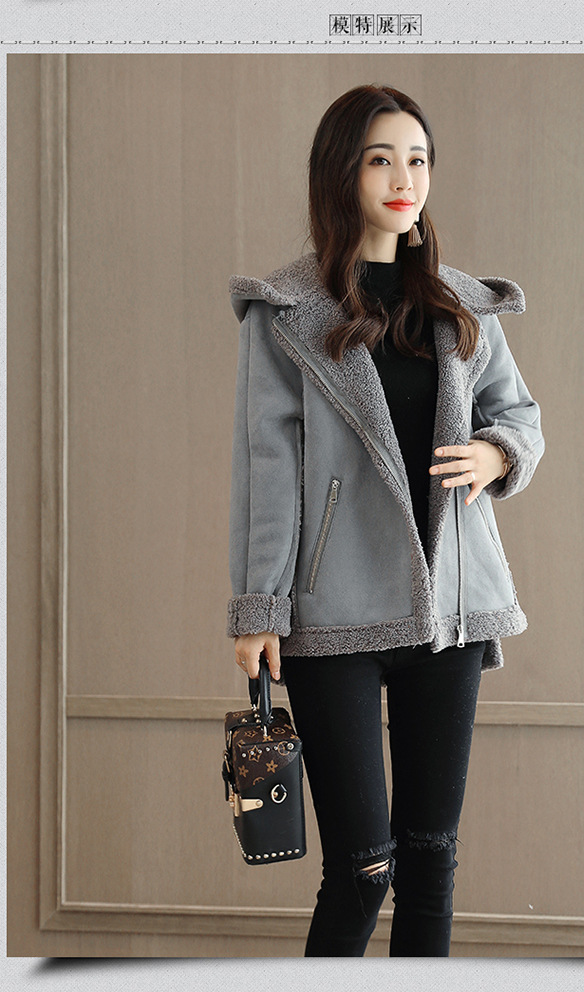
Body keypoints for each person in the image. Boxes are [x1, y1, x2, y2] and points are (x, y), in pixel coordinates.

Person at [227, 84, 544, 957]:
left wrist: (498, 454)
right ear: (342, 172)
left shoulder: (462, 305)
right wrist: (259, 607)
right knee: (363, 869)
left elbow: (519, 415)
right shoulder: (286, 313)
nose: (405, 179)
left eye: (418, 159)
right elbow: (266, 471)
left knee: (431, 863)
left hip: (450, 612)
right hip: (333, 615)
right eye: (381, 160)